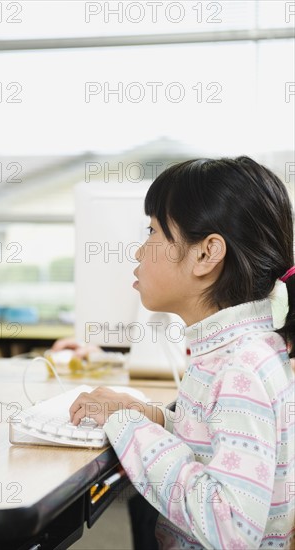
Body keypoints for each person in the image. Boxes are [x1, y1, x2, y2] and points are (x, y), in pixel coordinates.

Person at [68, 157, 295, 549]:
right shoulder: (238, 350)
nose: (139, 252)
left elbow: (231, 530)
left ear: (207, 254)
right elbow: (218, 448)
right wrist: (152, 418)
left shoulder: (239, 367)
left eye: (152, 231)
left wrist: (127, 426)